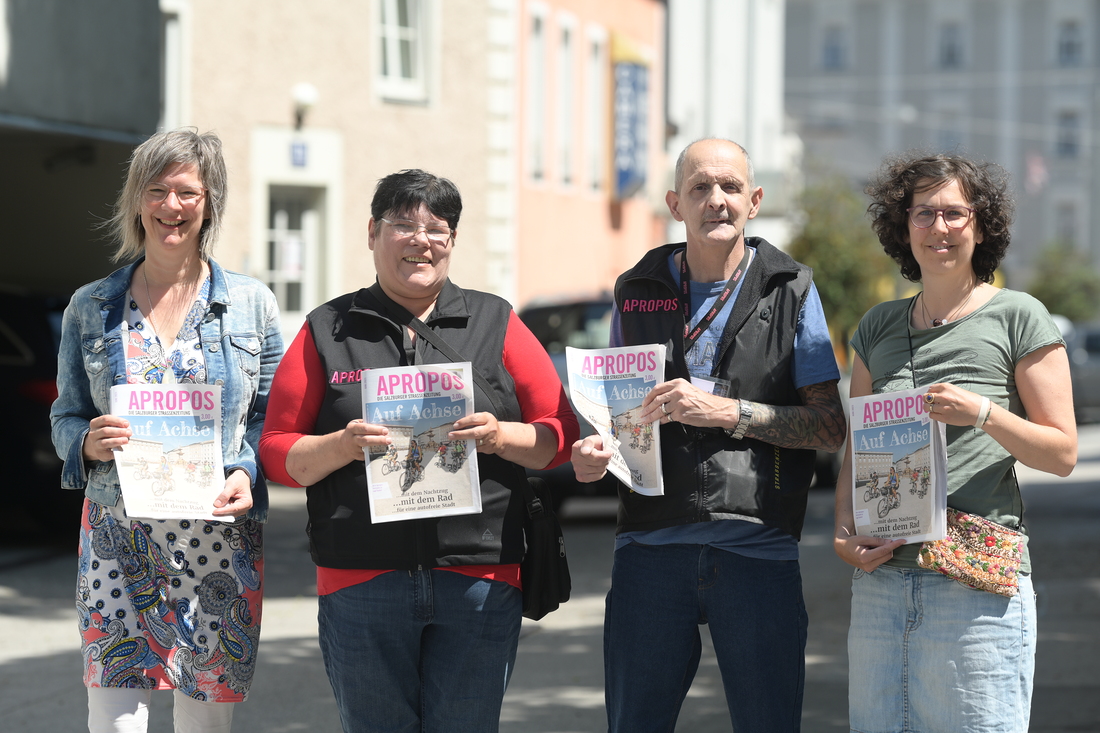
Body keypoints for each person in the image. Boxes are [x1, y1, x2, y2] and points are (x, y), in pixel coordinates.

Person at [258, 169, 578, 733]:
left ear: (452, 241)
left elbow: (559, 438)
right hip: (360, 580)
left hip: (479, 579)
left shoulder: (494, 320)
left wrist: (500, 436)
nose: (420, 240)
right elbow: (277, 453)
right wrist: (341, 445)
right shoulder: (328, 328)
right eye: (403, 225)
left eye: (437, 228)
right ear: (372, 233)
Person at [571, 138, 846, 732]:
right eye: (699, 188)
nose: (715, 200)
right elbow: (617, 411)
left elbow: (829, 427)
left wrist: (731, 412)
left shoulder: (791, 288)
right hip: (648, 548)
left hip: (758, 547)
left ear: (755, 201)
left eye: (730, 187)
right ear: (675, 203)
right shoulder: (636, 288)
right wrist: (595, 451)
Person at [50, 129, 284, 732]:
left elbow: (271, 416)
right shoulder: (91, 306)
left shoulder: (251, 305)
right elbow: (65, 413)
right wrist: (84, 441)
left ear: (209, 203)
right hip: (115, 541)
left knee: (205, 725)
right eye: (156, 191)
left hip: (217, 544)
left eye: (186, 192)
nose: (170, 206)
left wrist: (247, 469)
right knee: (115, 722)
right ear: (136, 201)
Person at [834, 151, 1076, 732]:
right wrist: (843, 530)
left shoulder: (1019, 316)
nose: (938, 228)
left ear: (981, 224)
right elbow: (856, 450)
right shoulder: (876, 327)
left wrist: (985, 413)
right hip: (882, 585)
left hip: (976, 591)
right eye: (922, 214)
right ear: (903, 227)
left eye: (953, 213)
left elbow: (1063, 453)